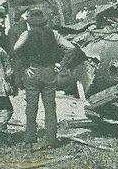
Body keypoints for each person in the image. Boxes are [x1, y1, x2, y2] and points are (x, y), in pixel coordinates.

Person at [13, 8, 75, 149]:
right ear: (43, 21)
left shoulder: (26, 34)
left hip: (32, 73)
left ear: (31, 23)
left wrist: (25, 66)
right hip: (49, 71)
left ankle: (29, 140)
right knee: (50, 107)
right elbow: (71, 48)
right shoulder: (53, 33)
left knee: (31, 107)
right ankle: (51, 140)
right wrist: (60, 65)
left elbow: (15, 49)